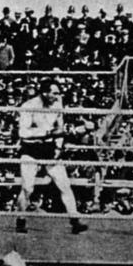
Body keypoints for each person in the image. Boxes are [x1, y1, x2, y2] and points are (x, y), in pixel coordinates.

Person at [15, 78, 88, 234]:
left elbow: (60, 128)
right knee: (27, 188)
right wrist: (46, 133)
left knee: (64, 184)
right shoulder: (29, 106)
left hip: (49, 149)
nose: (57, 96)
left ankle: (74, 220)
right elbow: (23, 133)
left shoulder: (57, 104)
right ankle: (21, 219)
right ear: (45, 92)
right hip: (30, 149)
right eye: (54, 93)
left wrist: (58, 147)